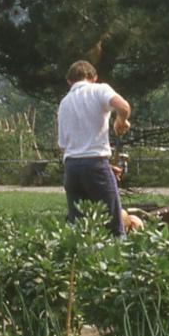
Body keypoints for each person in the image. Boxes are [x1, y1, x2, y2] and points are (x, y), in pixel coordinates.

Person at [57, 60, 131, 236]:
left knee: (79, 227)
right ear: (94, 77)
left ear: (69, 81)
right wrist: (120, 120)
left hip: (71, 169)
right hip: (96, 164)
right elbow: (124, 107)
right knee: (113, 224)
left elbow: (62, 145)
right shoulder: (100, 89)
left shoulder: (64, 103)